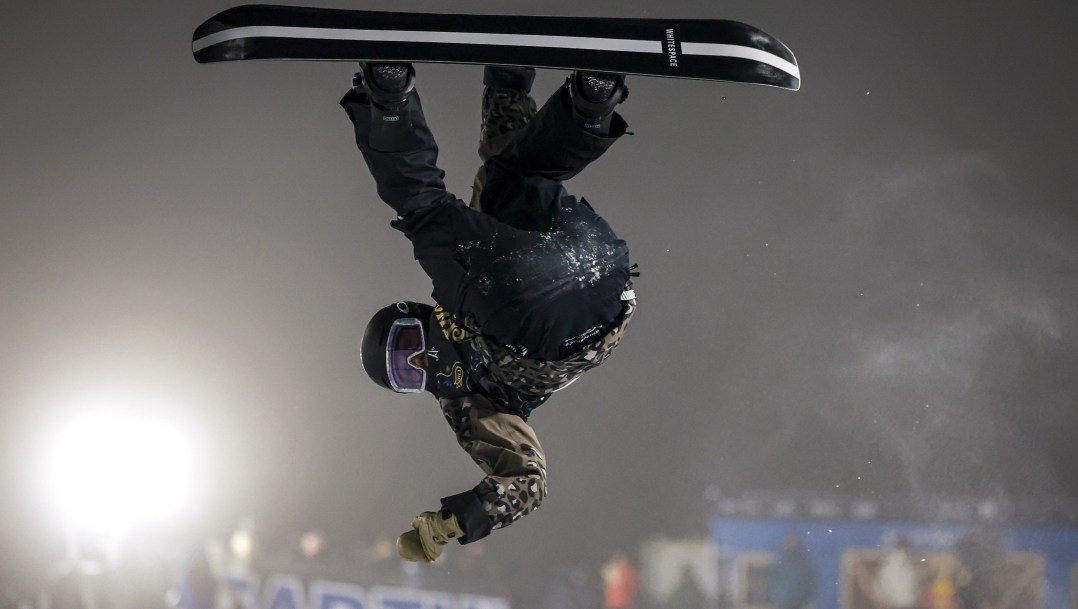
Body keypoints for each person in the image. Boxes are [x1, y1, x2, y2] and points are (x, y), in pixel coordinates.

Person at [341, 63, 635, 563]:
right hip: (556, 321)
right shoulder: (465, 404)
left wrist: (506, 87)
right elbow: (527, 478)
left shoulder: (476, 278)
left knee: (509, 180)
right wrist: (456, 521)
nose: (421, 364)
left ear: (418, 315)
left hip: (586, 267)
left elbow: (496, 179)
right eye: (406, 375)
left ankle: (588, 103)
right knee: (431, 210)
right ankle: (390, 105)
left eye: (407, 348)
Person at [766, 532, 817, 609]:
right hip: (782, 602)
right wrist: (774, 597)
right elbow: (773, 580)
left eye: (792, 540)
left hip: (797, 602)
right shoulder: (780, 560)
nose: (789, 543)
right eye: (787, 540)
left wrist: (804, 598)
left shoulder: (802, 561)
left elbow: (811, 581)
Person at [873, 537, 919, 609]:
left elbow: (914, 582)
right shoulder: (890, 563)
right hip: (895, 602)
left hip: (906, 602)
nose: (903, 552)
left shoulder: (909, 563)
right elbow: (882, 584)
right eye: (901, 548)